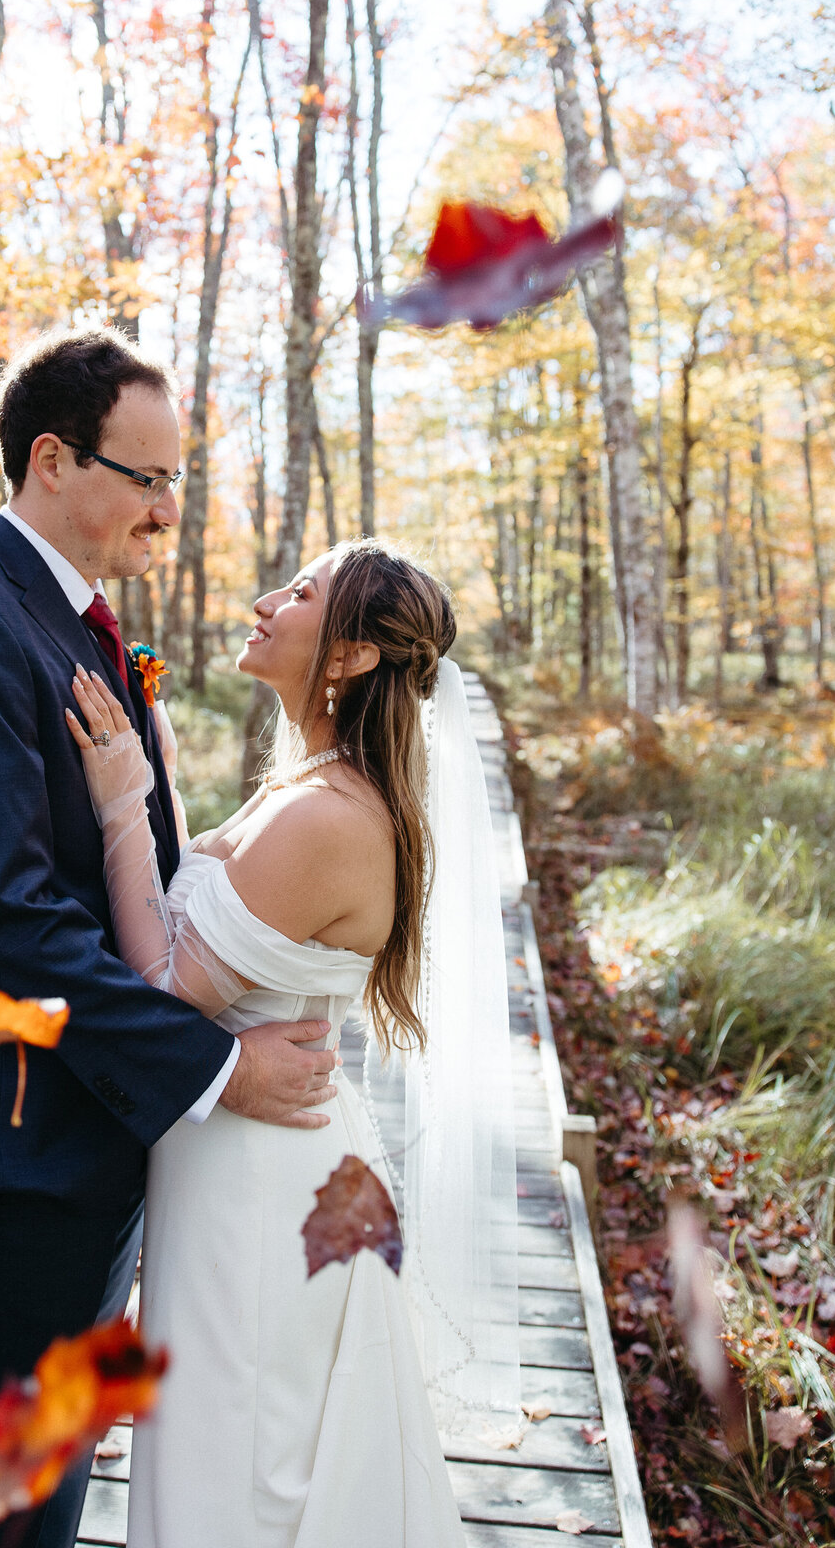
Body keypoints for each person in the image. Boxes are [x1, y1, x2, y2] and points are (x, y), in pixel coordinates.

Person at [0, 325, 341, 1548]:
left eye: (176, 480)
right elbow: (7, 919)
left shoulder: (77, 625)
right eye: (149, 480)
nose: (168, 513)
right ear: (51, 462)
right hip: (8, 1137)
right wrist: (220, 1067)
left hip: (94, 1129)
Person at [67, 537, 506, 1548]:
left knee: (244, 1465)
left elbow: (163, 993)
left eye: (302, 592)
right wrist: (163, 778)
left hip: (265, 1187)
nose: (269, 598)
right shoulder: (313, 788)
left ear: (349, 656)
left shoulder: (326, 817)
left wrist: (122, 801)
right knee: (244, 1447)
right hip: (250, 1160)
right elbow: (199, 911)